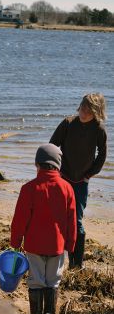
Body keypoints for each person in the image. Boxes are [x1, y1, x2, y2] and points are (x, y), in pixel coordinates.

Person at [11, 143, 76, 314]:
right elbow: (72, 221)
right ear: (58, 165)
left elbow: (20, 219)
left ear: (37, 165)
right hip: (57, 246)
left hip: (34, 245)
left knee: (36, 280)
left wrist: (15, 241)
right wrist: (70, 245)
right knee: (53, 280)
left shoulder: (29, 188)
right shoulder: (67, 188)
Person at [50, 93, 107, 269]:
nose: (84, 111)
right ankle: (54, 257)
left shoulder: (98, 129)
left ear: (97, 111)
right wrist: (55, 172)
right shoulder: (68, 123)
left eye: (89, 109)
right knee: (58, 218)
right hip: (63, 178)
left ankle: (76, 265)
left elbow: (102, 156)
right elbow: (52, 147)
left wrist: (90, 174)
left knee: (77, 222)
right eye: (82, 107)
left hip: (81, 182)